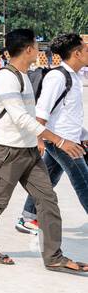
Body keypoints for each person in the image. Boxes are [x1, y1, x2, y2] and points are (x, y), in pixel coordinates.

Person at [0, 28, 85, 273]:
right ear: (27, 49)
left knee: (47, 201)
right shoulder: (6, 77)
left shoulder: (24, 76)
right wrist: (58, 140)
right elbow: (20, 118)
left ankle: (53, 256)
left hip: (28, 151)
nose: (39, 50)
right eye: (36, 46)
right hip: (6, 151)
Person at [17, 33, 88, 236]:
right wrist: (40, 139)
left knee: (47, 179)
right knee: (84, 182)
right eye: (86, 49)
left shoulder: (74, 77)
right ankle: (28, 216)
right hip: (61, 142)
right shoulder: (57, 77)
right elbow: (41, 112)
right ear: (76, 53)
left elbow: (67, 114)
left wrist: (83, 134)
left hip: (70, 139)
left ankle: (28, 217)